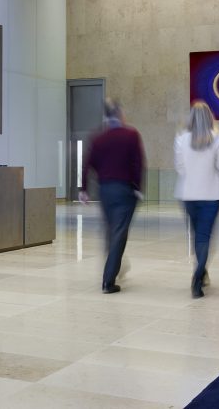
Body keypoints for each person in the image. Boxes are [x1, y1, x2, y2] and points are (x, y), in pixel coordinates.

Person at [78, 99, 145, 294]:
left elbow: (87, 164)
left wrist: (83, 189)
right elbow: (138, 163)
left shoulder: (98, 138)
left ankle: (116, 266)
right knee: (119, 233)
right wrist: (138, 188)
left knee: (111, 230)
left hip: (105, 190)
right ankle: (109, 280)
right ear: (119, 114)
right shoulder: (131, 135)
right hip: (125, 191)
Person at [174, 101, 219, 299]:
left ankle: (201, 270)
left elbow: (180, 168)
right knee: (204, 237)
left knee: (196, 234)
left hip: (188, 195)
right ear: (210, 118)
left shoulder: (181, 140)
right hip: (211, 195)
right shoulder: (218, 139)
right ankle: (198, 277)